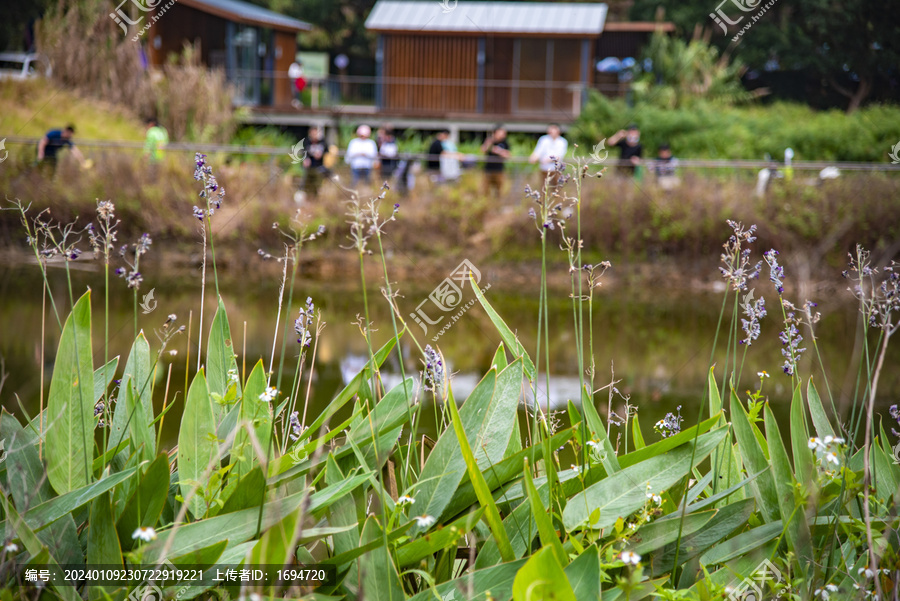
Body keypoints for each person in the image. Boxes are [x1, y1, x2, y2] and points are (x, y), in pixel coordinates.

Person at [529, 124, 568, 188]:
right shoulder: (543, 139)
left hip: (556, 170)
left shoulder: (562, 142)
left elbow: (559, 156)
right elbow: (538, 151)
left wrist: (547, 160)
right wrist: (533, 157)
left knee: (557, 189)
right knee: (543, 188)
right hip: (544, 169)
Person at [481, 125, 511, 198]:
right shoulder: (489, 141)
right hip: (488, 169)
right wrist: (488, 143)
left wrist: (498, 151)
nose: (503, 134)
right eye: (501, 132)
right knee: (485, 189)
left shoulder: (505, 143)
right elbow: (483, 150)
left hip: (499, 170)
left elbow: (508, 155)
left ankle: (498, 204)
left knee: (499, 190)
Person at [302, 127, 327, 199]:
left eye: (315, 133)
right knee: (307, 185)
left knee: (317, 185)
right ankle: (308, 200)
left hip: (319, 167)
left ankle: (316, 199)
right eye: (312, 133)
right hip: (309, 167)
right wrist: (306, 159)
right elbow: (304, 152)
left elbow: (328, 153)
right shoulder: (307, 142)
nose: (314, 135)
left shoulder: (322, 142)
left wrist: (321, 154)